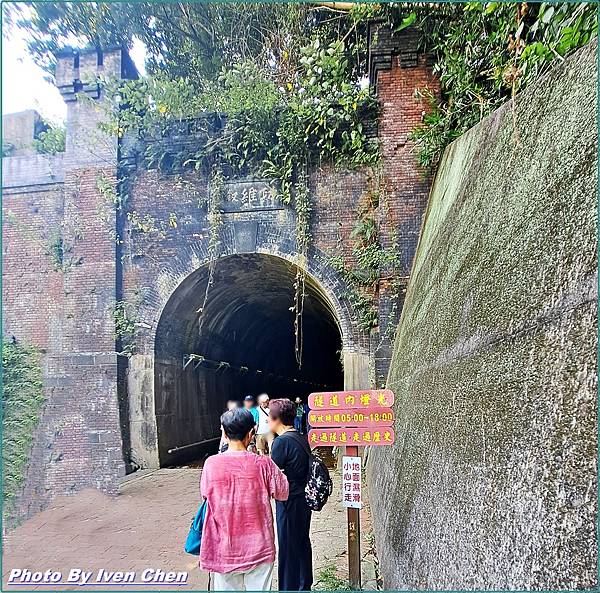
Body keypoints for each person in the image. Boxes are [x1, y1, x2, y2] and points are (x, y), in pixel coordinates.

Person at [200, 408, 289, 591]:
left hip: (223, 548)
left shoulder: (211, 464)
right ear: (251, 433)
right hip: (259, 549)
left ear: (224, 433)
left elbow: (205, 494)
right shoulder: (264, 464)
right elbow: (283, 492)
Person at [268, 398, 313, 591]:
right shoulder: (301, 437)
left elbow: (272, 475)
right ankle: (304, 585)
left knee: (287, 547)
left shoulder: (281, 442)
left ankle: (288, 588)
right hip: (303, 499)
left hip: (288, 501)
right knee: (302, 541)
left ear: (276, 418)